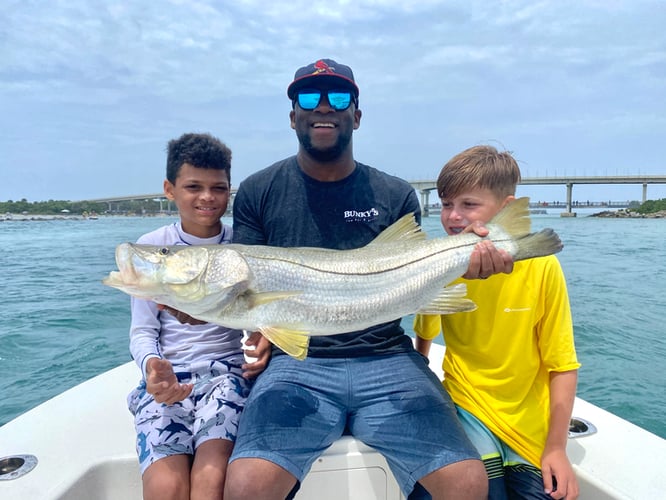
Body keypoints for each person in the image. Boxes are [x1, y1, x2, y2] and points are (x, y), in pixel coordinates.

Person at [223, 58, 514, 500]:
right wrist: (256, 330)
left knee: (466, 482)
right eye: (308, 97)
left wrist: (474, 258)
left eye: (339, 97)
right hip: (295, 365)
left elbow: (417, 281)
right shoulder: (258, 191)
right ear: (292, 115)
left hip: (388, 358)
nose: (324, 107)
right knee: (247, 485)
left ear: (356, 115)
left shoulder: (395, 195)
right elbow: (249, 290)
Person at [414, 145, 580, 500]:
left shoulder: (541, 266)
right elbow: (423, 338)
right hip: (466, 409)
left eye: (468, 205)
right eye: (445, 205)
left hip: (528, 428)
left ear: (506, 208)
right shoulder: (437, 266)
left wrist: (556, 449)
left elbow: (562, 364)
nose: (453, 217)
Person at [126, 132, 260, 500]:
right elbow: (142, 330)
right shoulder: (153, 248)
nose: (207, 197)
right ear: (169, 189)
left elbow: (254, 317)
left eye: (218, 188)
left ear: (229, 190)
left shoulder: (241, 245)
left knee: (210, 480)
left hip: (227, 375)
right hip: (167, 379)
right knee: (165, 488)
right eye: (193, 186)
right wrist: (153, 366)